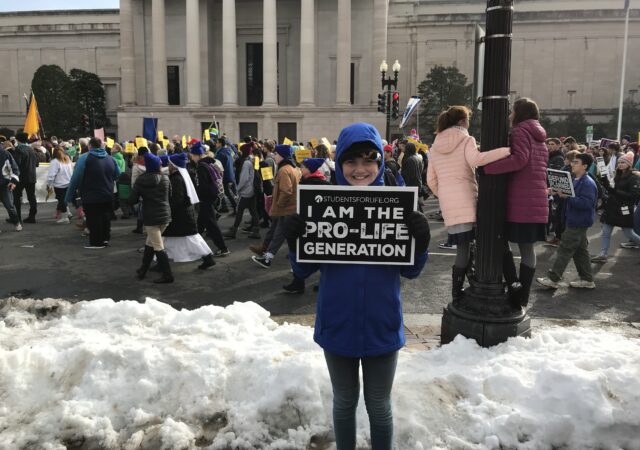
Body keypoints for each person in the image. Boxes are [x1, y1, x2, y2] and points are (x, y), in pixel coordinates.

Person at [285, 122, 430, 450]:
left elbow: (411, 272)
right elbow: (304, 268)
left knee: (379, 406)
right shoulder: (321, 207)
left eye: (369, 160)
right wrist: (296, 242)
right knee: (344, 401)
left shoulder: (396, 209)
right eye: (351, 161)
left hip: (382, 324)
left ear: (380, 163)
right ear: (340, 165)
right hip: (338, 324)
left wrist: (420, 243)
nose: (360, 169)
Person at [427, 105, 510, 301]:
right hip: (468, 197)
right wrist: (506, 150)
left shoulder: (435, 146)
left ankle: (457, 290)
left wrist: (445, 195)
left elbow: (430, 180)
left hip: (449, 202)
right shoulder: (466, 139)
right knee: (477, 243)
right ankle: (467, 285)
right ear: (462, 121)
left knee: (462, 246)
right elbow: (476, 159)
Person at [484, 98, 549, 307]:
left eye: (512, 111)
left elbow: (520, 159)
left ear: (519, 113)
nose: (510, 115)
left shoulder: (520, 131)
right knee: (527, 249)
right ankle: (523, 294)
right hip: (536, 200)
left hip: (521, 200)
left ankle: (514, 286)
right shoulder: (540, 135)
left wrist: (488, 168)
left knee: (499, 240)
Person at [537, 153, 598, 289]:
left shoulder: (587, 183)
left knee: (565, 249)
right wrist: (557, 193)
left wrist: (567, 196)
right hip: (575, 220)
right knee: (580, 251)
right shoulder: (577, 179)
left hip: (578, 221)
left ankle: (553, 278)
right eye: (573, 162)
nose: (572, 164)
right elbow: (569, 198)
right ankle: (587, 279)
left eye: (576, 162)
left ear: (584, 166)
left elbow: (587, 204)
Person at [282, 157, 332, 294]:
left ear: (310, 169)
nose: (300, 168)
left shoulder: (316, 184)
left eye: (303, 166)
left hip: (315, 227)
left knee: (319, 256)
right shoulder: (308, 181)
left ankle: (310, 282)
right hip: (305, 225)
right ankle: (300, 282)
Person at [161, 153, 216, 270]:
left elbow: (177, 199)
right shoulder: (181, 176)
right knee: (169, 239)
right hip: (183, 214)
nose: (168, 166)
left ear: (174, 166)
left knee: (190, 239)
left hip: (180, 215)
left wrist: (168, 208)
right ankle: (161, 261)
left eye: (170, 164)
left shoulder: (176, 178)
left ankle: (208, 258)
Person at [65, 137, 120, 249]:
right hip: (108, 194)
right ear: (101, 146)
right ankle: (105, 240)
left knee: (94, 219)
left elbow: (76, 178)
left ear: (90, 146)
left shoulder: (84, 158)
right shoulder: (111, 158)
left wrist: (68, 196)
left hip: (91, 194)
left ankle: (96, 242)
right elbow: (117, 174)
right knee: (105, 218)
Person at [251, 144, 300, 268]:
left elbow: (286, 190)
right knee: (279, 234)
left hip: (287, 208)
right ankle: (267, 258)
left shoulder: (284, 170)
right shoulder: (291, 168)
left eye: (277, 154)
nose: (274, 155)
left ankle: (268, 259)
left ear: (282, 155)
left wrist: (279, 204)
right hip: (290, 208)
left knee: (281, 235)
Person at [130, 153, 173, 283]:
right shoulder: (166, 178)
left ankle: (168, 275)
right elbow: (170, 196)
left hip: (150, 217)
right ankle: (143, 269)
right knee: (150, 243)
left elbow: (132, 200)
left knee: (158, 246)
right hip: (165, 215)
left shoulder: (141, 180)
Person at [590, 151, 640, 263]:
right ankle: (603, 254)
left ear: (629, 164)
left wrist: (615, 191)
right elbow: (611, 190)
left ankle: (603, 254)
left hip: (624, 209)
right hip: (612, 207)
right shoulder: (618, 174)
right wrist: (604, 181)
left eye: (623, 162)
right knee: (606, 232)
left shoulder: (633, 177)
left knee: (629, 233)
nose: (620, 164)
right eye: (619, 162)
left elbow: (634, 195)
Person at [190, 141, 230, 257]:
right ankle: (195, 247)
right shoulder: (209, 163)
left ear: (197, 155)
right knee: (200, 226)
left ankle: (223, 248)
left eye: (192, 156)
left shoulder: (201, 167)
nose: (191, 158)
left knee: (211, 225)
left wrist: (199, 198)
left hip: (205, 200)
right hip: (210, 199)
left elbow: (202, 185)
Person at [224, 142, 261, 239]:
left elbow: (244, 179)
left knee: (239, 210)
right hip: (253, 190)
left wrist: (238, 189)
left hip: (246, 191)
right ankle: (256, 231)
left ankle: (234, 231)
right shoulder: (254, 160)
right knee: (253, 211)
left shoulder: (246, 163)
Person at [12, 132, 39, 224]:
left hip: (21, 177)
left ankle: (17, 218)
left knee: (16, 197)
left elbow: (16, 164)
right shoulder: (31, 149)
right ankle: (32, 216)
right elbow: (37, 163)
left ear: (17, 140)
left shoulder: (18, 150)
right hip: (32, 176)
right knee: (31, 197)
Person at [46, 146, 74, 224]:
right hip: (68, 183)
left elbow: (51, 175)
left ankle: (65, 217)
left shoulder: (55, 161)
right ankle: (68, 213)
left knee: (62, 200)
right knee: (64, 200)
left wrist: (49, 184)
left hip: (59, 184)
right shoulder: (68, 159)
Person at [0, 143, 21, 231]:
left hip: (4, 185)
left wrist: (13, 181)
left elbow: (15, 168)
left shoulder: (5, 154)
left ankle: (16, 222)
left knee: (10, 206)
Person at [215, 136, 238, 214]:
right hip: (230, 174)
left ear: (220, 144)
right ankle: (226, 206)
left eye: (217, 142)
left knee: (226, 192)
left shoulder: (221, 153)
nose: (216, 144)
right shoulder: (228, 151)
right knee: (225, 191)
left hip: (225, 175)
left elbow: (218, 166)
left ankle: (235, 206)